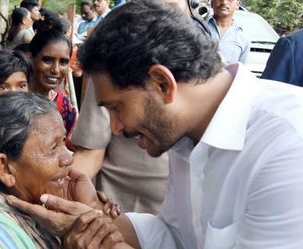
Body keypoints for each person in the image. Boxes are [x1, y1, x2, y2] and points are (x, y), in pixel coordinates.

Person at [8, 1, 303, 248]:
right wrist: (94, 220)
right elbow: (174, 234)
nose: (115, 128)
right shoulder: (186, 139)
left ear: (162, 84)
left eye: (116, 107)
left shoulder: (294, 145)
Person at [69, 0, 209, 215]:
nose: (116, 127)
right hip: (122, 214)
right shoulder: (114, 72)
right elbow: (89, 154)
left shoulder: (213, 79)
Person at [0, 92, 124, 248]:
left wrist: (91, 207)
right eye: (53, 148)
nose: (69, 158)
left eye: (63, 142)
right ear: (6, 168)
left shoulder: (45, 216)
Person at [29, 26, 77, 140]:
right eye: (47, 60)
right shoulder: (8, 97)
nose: (56, 69)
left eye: (63, 62)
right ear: (31, 58)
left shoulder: (65, 110)